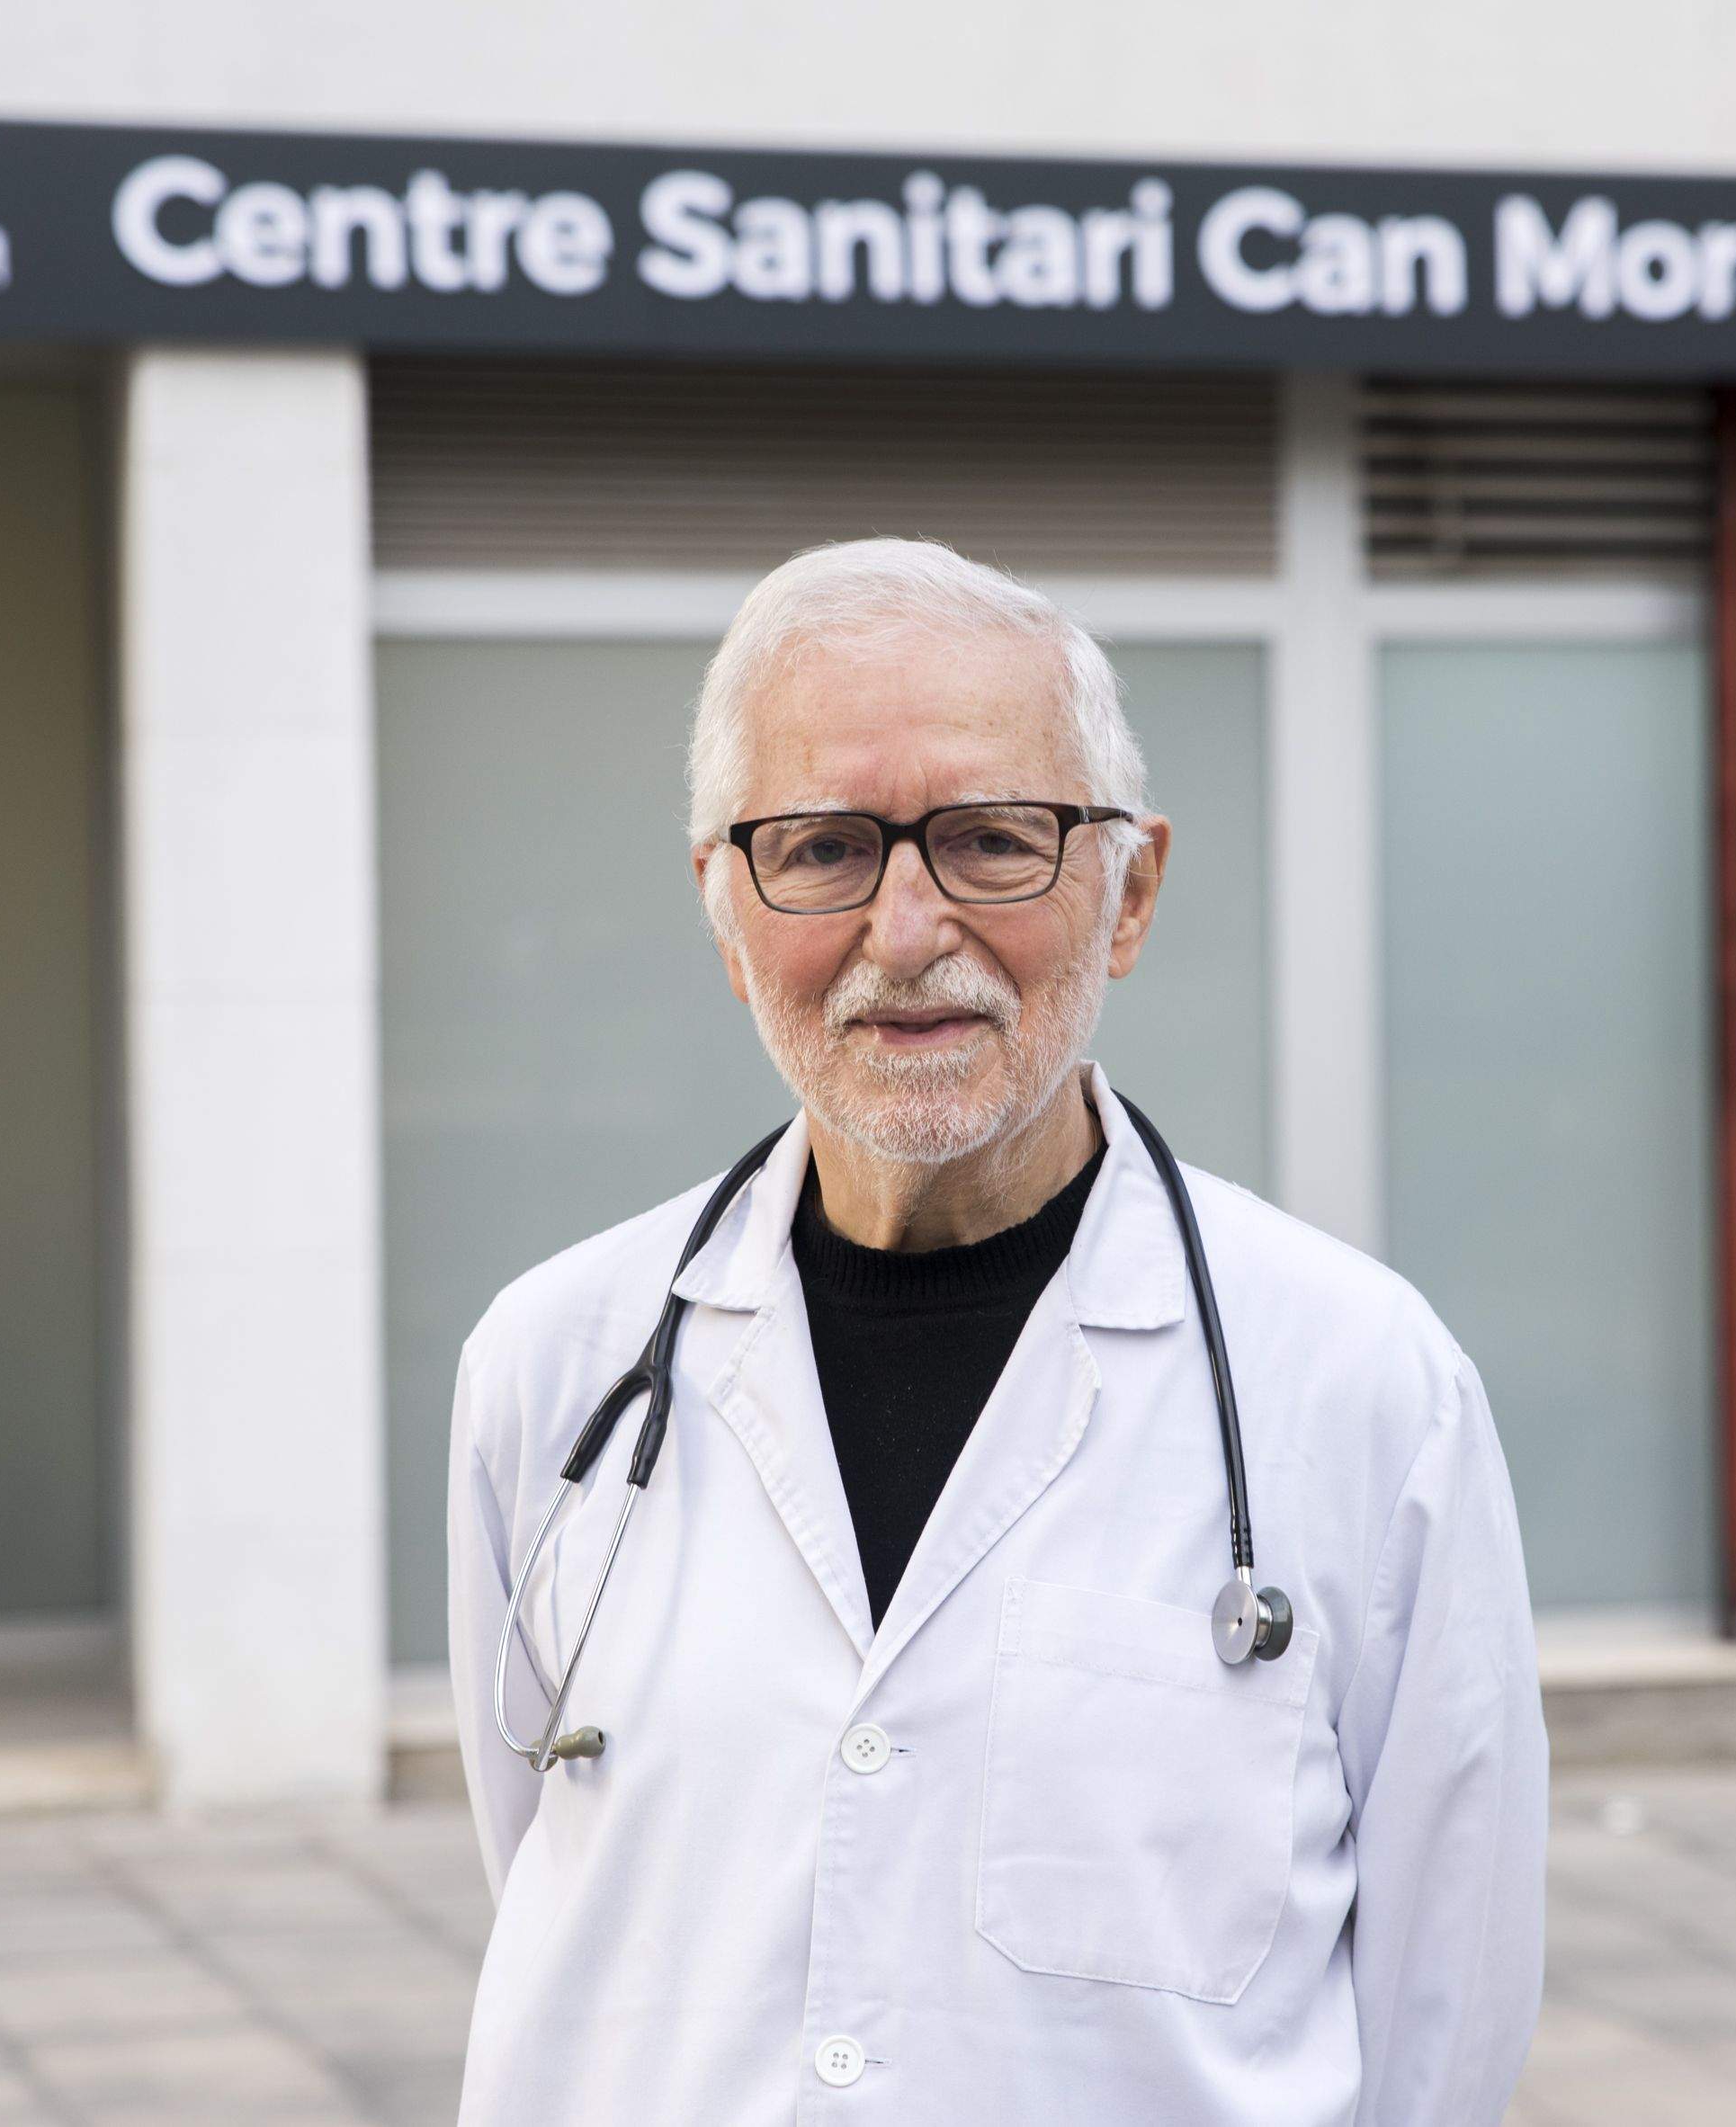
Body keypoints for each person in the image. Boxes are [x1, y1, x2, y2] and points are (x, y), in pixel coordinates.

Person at [446, 537, 1548, 2123]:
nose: (906, 929)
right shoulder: (557, 1366)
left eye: (989, 840)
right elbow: (555, 1890)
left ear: (1129, 892)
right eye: (824, 848)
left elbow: (1442, 2030)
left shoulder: (1364, 1387)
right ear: (725, 909)